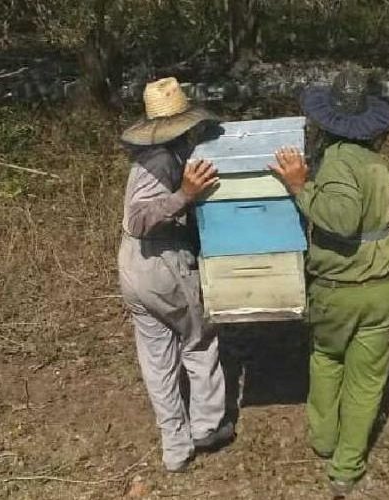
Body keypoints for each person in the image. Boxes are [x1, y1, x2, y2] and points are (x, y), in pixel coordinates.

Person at [270, 68, 389, 497]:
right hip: (385, 287)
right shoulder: (373, 162)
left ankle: (325, 441)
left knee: (328, 358)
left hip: (341, 290)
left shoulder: (338, 161)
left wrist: (300, 188)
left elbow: (343, 221)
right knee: (367, 380)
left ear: (324, 120)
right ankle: (346, 468)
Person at [118, 77, 233, 473]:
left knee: (156, 358)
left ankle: (174, 449)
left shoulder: (153, 156)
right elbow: (138, 219)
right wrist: (185, 195)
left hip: (135, 268)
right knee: (199, 338)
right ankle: (207, 426)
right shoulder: (163, 161)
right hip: (160, 263)